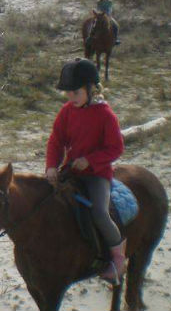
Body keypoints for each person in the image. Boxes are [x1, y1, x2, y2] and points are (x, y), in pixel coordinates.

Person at [46, 58, 126, 285]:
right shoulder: (67, 111)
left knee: (100, 212)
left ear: (90, 89)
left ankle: (118, 260)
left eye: (75, 92)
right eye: (68, 93)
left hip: (97, 175)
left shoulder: (105, 115)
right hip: (72, 171)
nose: (71, 97)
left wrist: (90, 161)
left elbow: (116, 148)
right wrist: (51, 166)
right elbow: (56, 140)